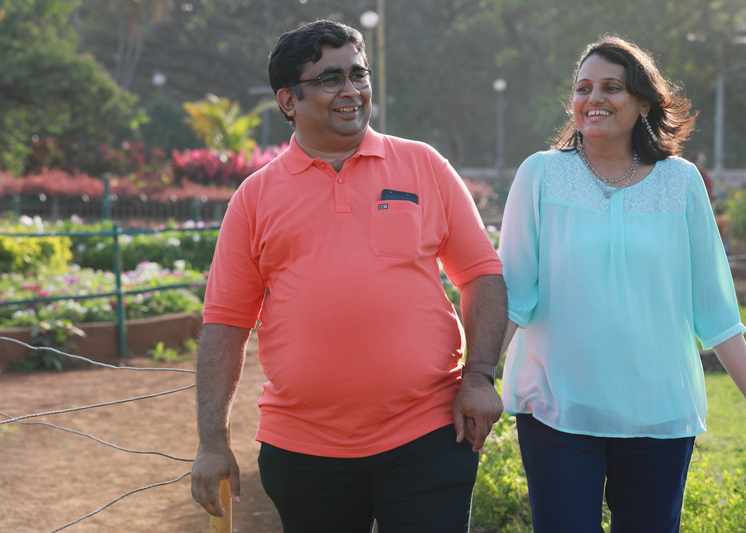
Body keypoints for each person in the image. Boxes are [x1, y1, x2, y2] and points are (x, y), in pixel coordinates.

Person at [190, 20, 508, 533]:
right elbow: (225, 324)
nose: (352, 91)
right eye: (330, 79)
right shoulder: (254, 197)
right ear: (289, 101)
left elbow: (481, 275)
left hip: (427, 433)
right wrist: (211, 441)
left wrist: (479, 375)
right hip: (302, 446)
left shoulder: (423, 165)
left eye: (358, 75)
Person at [498, 36, 746, 533]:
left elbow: (715, 312)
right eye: (583, 87)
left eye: (612, 87)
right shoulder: (541, 175)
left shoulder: (682, 182)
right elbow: (515, 295)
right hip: (555, 408)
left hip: (659, 413)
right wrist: (476, 381)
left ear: (643, 102)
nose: (595, 99)